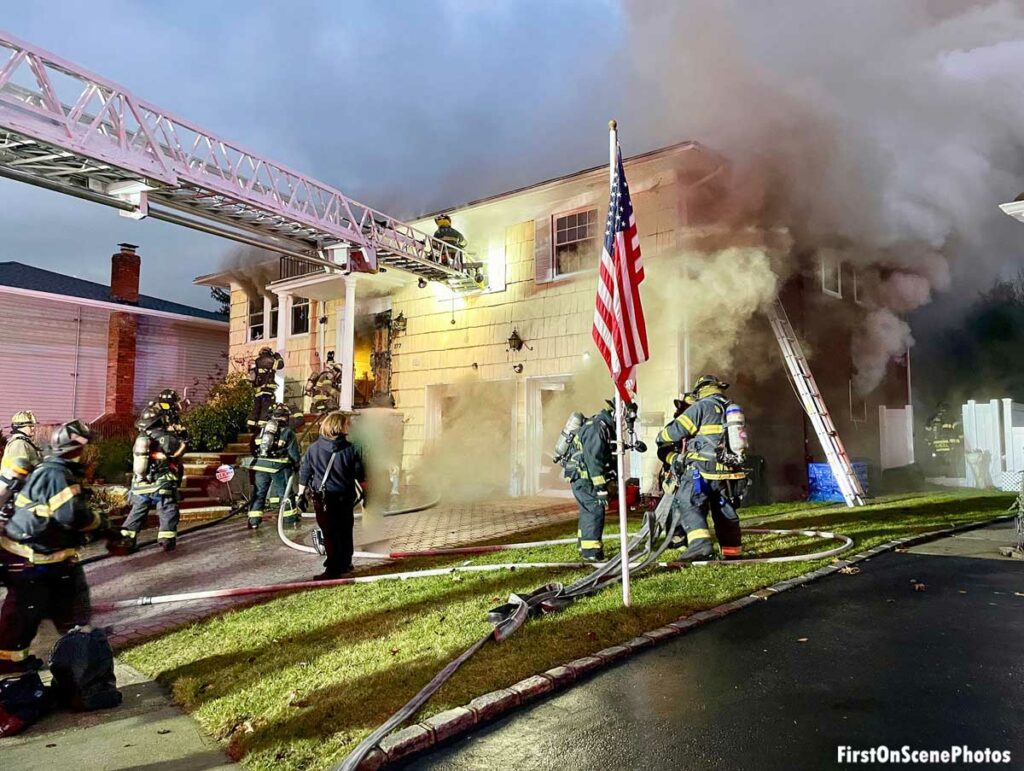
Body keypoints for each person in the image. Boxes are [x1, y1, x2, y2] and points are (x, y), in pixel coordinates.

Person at [0, 420, 99, 675]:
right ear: (76, 448)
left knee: (25, 613)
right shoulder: (57, 474)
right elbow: (71, 516)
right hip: (36, 559)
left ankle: (77, 644)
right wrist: (101, 524)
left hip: (29, 555)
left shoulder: (48, 466)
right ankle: (82, 649)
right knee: (33, 611)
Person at [656, 374, 747, 561]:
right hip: (728, 470)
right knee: (724, 508)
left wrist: (660, 437)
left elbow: (674, 431)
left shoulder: (702, 406)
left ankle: (700, 546)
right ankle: (732, 551)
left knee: (688, 501)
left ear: (700, 391)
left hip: (703, 469)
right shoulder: (730, 408)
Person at [298, 411, 365, 580]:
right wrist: (367, 494)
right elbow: (361, 474)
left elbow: (305, 472)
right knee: (345, 531)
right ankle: (345, 563)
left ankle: (333, 568)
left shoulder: (313, 449)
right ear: (341, 427)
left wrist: (300, 495)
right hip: (345, 498)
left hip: (324, 499)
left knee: (329, 533)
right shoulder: (352, 449)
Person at [114, 410, 187, 553]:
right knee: (167, 510)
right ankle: (166, 539)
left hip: (141, 486)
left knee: (137, 513)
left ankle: (126, 539)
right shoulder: (168, 439)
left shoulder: (140, 440)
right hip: (162, 485)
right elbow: (177, 455)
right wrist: (183, 438)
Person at [561, 400, 616, 562]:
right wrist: (601, 489)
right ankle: (591, 551)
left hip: (580, 477)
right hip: (583, 478)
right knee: (594, 509)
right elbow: (594, 461)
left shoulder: (601, 425)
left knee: (587, 510)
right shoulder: (597, 429)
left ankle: (583, 544)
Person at [247, 403, 301, 529]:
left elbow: (252, 447)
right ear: (286, 417)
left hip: (260, 466)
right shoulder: (287, 431)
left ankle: (254, 521)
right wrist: (296, 464)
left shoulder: (261, 430)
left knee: (259, 493)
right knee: (285, 493)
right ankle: (289, 518)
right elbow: (294, 453)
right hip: (279, 466)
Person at [0, 411, 42, 518]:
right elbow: (18, 472)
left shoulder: (24, 442)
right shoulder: (19, 444)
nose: (33, 428)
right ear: (21, 427)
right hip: (16, 497)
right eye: (30, 426)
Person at [248, 346, 285, 440]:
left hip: (258, 392)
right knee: (265, 409)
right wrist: (278, 356)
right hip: (267, 391)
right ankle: (261, 428)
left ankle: (251, 426)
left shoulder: (257, 361)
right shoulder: (271, 360)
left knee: (256, 409)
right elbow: (280, 365)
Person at [925, 401, 963, 476]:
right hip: (949, 446)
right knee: (951, 464)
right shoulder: (951, 417)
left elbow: (927, 433)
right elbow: (957, 430)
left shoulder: (932, 418)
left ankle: (939, 477)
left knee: (938, 465)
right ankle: (951, 477)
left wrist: (929, 443)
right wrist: (961, 439)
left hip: (936, 447)